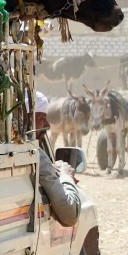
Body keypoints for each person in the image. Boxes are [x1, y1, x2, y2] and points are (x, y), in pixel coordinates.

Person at [33, 92, 81, 227]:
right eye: (42, 118)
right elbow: (70, 215)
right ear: (27, 118)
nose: (48, 126)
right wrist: (65, 176)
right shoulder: (35, 154)